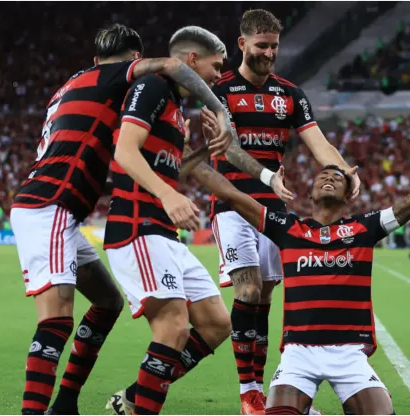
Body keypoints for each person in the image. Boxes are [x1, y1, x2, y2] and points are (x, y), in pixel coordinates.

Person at [183, 115, 410, 415]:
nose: (328, 178)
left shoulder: (365, 228)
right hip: (298, 355)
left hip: (349, 354)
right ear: (307, 193)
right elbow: (231, 195)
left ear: (349, 193)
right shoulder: (289, 228)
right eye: (322, 174)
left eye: (336, 177)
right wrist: (190, 157)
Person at [9, 23, 232, 415]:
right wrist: (221, 111)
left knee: (108, 301)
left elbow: (157, 160)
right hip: (49, 204)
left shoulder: (72, 85)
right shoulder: (121, 76)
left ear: (95, 59)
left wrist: (196, 151)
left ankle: (66, 403)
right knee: (56, 320)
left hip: (61, 209)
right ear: (134, 60)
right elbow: (170, 66)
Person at [210, 9, 361, 413]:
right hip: (231, 201)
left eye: (274, 47)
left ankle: (258, 387)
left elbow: (318, 143)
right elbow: (226, 148)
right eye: (262, 46)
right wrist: (263, 174)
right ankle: (248, 392)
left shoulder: (290, 94)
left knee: (264, 299)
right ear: (242, 44)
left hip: (274, 211)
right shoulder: (220, 91)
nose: (269, 54)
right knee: (247, 289)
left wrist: (344, 169)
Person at [102, 26, 238, 416]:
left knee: (215, 324)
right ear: (192, 60)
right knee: (174, 329)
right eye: (217, 65)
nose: (219, 75)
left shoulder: (177, 109)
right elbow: (125, 151)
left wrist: (205, 152)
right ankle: (143, 407)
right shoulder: (154, 88)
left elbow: (168, 171)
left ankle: (133, 397)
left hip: (165, 232)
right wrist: (166, 195)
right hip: (137, 227)